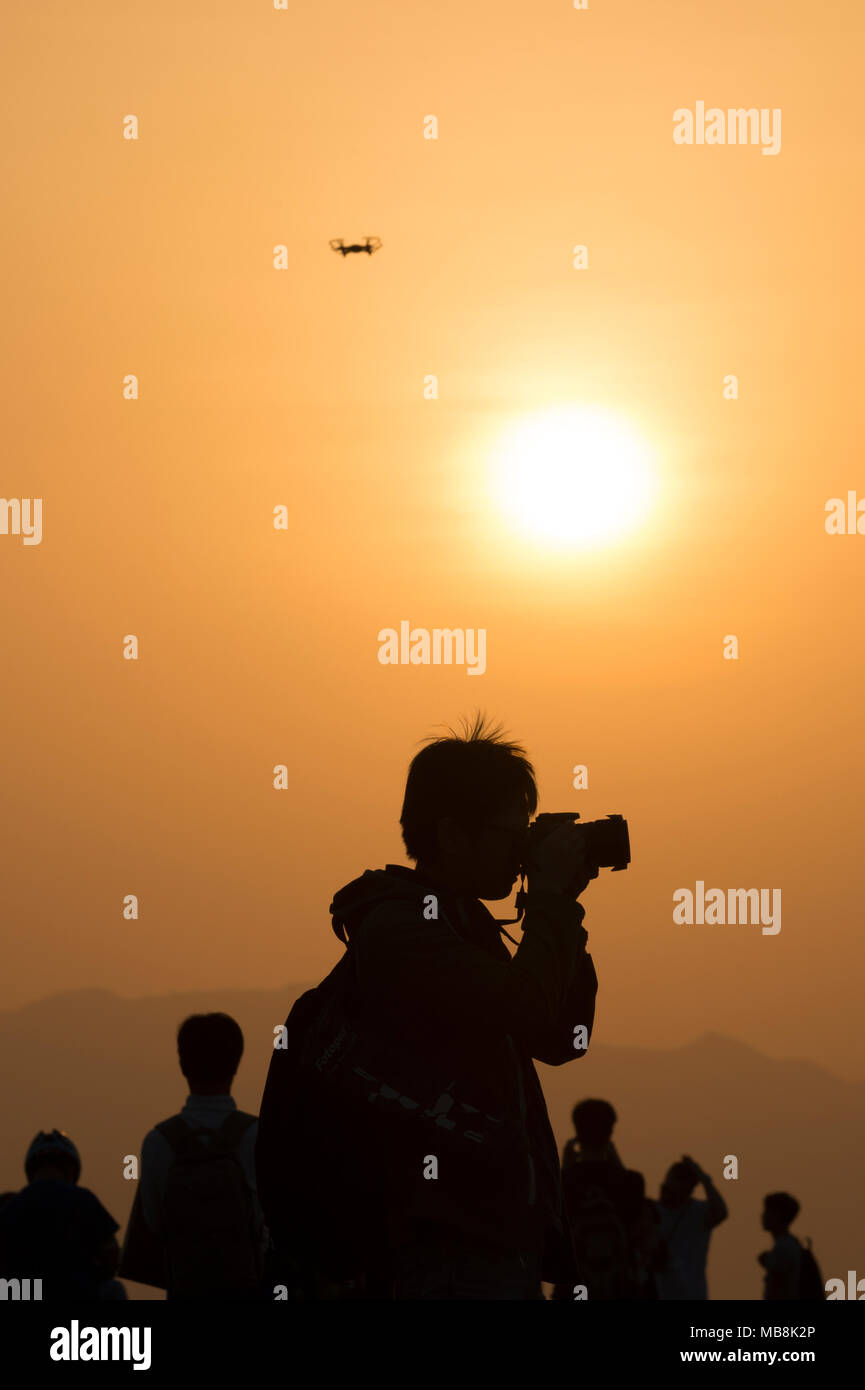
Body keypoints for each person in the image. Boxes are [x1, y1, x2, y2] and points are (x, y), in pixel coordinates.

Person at [257, 714, 600, 1299]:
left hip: (488, 1234)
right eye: (510, 836)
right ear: (451, 834)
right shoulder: (402, 929)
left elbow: (563, 1038)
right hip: (436, 1245)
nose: (521, 853)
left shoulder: (461, 922)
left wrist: (563, 908)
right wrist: (547, 906)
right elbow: (526, 1008)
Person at [120, 1012, 267, 1300]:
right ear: (236, 1063)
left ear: (182, 1065)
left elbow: (154, 1223)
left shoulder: (158, 1142)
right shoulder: (256, 1137)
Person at [0, 1130, 124, 1299]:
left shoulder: (12, 1205)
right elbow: (111, 1254)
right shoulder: (83, 1199)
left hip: (27, 1294)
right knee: (113, 1289)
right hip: (77, 1293)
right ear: (71, 1169)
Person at [554, 1098, 646, 1299]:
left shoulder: (560, 1184)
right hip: (621, 1290)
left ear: (577, 1132)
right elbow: (640, 1234)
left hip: (573, 1291)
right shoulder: (632, 1181)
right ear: (611, 1132)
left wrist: (563, 1172)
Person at [654, 1156, 728, 1300]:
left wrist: (704, 1178)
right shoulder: (653, 1212)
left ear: (687, 1188)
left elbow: (721, 1212)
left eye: (672, 1182)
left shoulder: (698, 1212)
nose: (666, 1186)